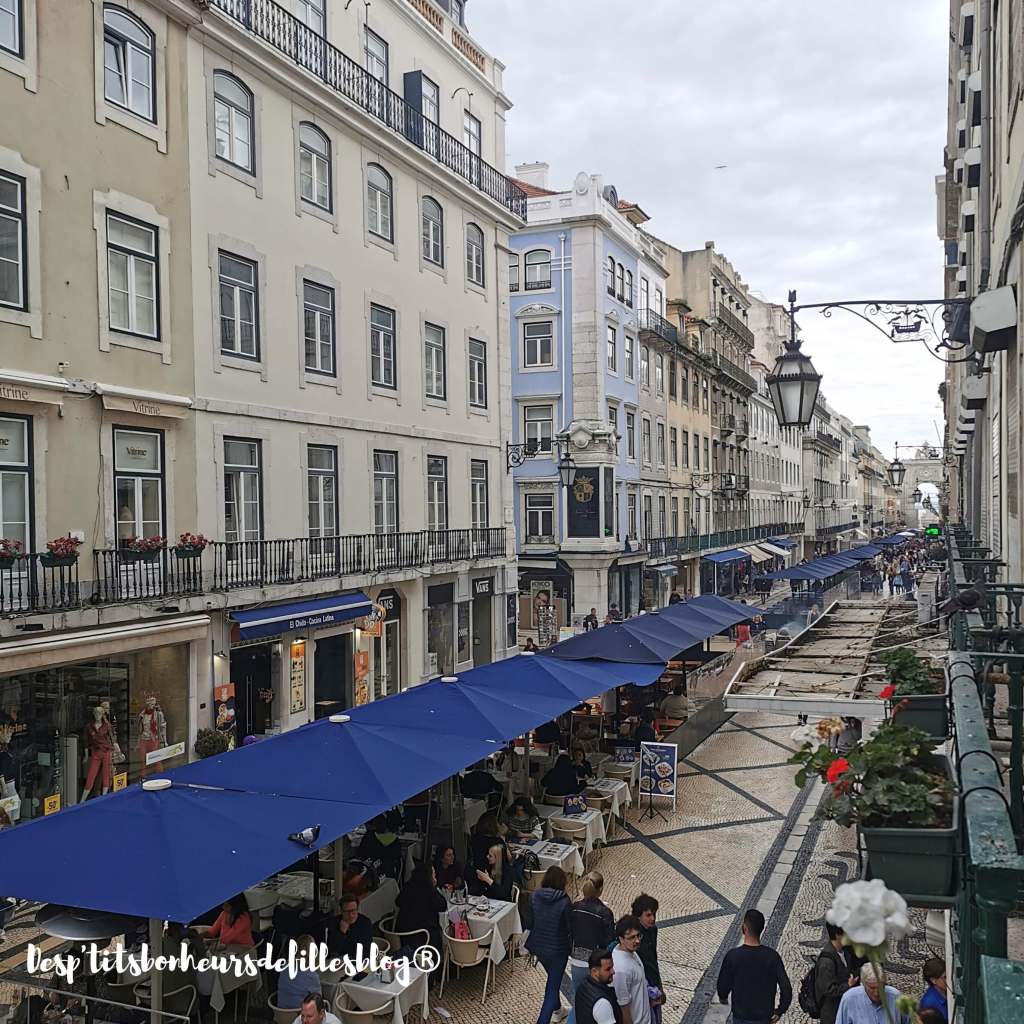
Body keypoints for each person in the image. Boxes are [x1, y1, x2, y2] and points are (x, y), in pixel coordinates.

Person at [716, 908, 791, 1024]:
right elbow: (786, 988)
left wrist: (723, 997)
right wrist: (779, 1011)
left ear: (744, 928)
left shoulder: (733, 956)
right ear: (761, 929)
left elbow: (722, 986)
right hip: (764, 1018)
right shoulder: (772, 957)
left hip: (740, 1017)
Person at [567, 872, 616, 1023]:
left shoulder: (574, 908)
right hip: (595, 965)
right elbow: (609, 941)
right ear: (600, 889)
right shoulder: (605, 913)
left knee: (578, 1003)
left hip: (576, 962)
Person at [525, 866, 572, 1024]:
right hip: (558, 950)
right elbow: (569, 927)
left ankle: (558, 1010)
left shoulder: (534, 897)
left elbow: (529, 923)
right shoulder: (565, 901)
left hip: (539, 948)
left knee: (553, 980)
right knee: (552, 988)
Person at [395, 863, 446, 953]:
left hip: (403, 935)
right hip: (424, 939)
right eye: (434, 875)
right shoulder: (429, 891)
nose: (435, 877)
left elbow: (398, 902)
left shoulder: (408, 886)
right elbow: (443, 906)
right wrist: (434, 887)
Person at [836, 964, 911, 1024]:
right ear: (863, 984)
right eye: (872, 988)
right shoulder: (849, 999)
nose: (877, 993)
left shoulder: (896, 997)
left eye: (881, 987)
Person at [813, 923, 857, 1024]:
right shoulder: (826, 963)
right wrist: (848, 985)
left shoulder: (845, 951)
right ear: (838, 935)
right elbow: (828, 989)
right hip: (832, 1014)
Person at [611, 914, 651, 1024]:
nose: (637, 941)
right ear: (621, 939)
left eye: (638, 936)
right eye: (632, 937)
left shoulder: (631, 952)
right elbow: (624, 1006)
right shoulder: (620, 969)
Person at [631, 895, 663, 1021]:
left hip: (653, 980)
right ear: (639, 915)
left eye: (654, 914)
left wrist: (659, 986)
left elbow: (653, 958)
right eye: (648, 915)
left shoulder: (653, 930)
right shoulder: (633, 936)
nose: (653, 919)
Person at [573, 949, 621, 1024]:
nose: (613, 971)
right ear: (594, 971)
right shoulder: (602, 1004)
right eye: (608, 969)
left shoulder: (582, 986)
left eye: (612, 967)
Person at [326, 892, 373, 962]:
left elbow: (367, 949)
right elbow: (332, 950)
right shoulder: (334, 923)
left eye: (353, 911)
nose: (351, 915)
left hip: (360, 961)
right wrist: (341, 933)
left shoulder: (365, 923)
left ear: (357, 909)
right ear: (341, 911)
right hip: (340, 961)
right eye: (347, 912)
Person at [277, 935, 321, 1010]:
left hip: (281, 1014)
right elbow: (319, 1002)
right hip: (301, 1017)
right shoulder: (312, 977)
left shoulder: (284, 966)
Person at [356, 815, 403, 880]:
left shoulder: (368, 836)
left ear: (374, 825)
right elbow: (398, 857)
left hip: (369, 871)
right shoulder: (394, 839)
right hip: (388, 873)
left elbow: (361, 852)